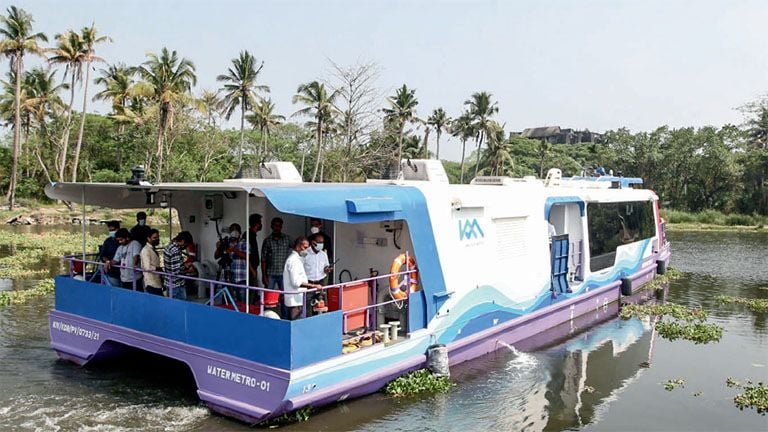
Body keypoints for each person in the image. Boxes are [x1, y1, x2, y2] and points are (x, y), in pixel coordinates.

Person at [283, 236, 322, 320]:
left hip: (298, 298)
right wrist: (313, 286)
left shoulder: (298, 259)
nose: (306, 250)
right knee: (296, 323)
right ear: (297, 246)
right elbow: (296, 283)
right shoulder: (294, 261)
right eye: (304, 247)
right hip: (295, 300)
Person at [261, 217, 292, 311]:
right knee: (268, 298)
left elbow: (297, 249)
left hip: (284, 274)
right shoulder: (267, 240)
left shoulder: (287, 239)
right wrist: (264, 275)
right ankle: (267, 315)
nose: (277, 227)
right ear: (271, 226)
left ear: (281, 226)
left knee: (285, 297)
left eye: (279, 225)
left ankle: (285, 317)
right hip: (270, 274)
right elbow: (263, 259)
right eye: (275, 225)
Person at [164, 231, 193, 300]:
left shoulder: (169, 246)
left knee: (172, 307)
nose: (186, 247)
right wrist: (187, 269)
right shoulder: (176, 251)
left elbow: (172, 265)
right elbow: (176, 272)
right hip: (177, 286)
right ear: (182, 241)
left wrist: (183, 265)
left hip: (169, 282)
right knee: (180, 308)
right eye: (186, 244)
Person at [140, 229, 164, 296]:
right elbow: (147, 267)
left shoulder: (152, 249)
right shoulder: (145, 250)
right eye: (155, 238)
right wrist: (157, 269)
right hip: (151, 282)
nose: (157, 239)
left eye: (158, 237)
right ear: (148, 238)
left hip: (157, 281)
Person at [98, 220, 121, 287]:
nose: (111, 232)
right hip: (113, 271)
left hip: (125, 272)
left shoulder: (125, 241)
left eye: (113, 230)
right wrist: (107, 261)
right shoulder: (108, 241)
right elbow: (103, 255)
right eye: (110, 230)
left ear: (118, 229)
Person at [247, 213, 262, 287]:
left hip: (253, 267)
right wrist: (252, 269)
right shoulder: (249, 236)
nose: (261, 224)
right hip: (250, 269)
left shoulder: (252, 235)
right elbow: (247, 254)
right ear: (256, 224)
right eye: (260, 222)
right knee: (251, 290)